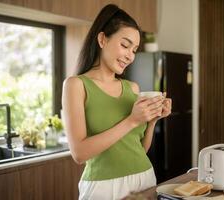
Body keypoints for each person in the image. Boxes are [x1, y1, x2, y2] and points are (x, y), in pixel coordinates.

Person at [62, 4, 172, 200]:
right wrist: (132, 120)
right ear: (103, 39)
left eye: (135, 49)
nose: (130, 56)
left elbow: (139, 150)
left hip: (145, 180)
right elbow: (79, 153)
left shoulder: (133, 88)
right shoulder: (76, 85)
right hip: (103, 188)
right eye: (125, 45)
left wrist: (153, 120)